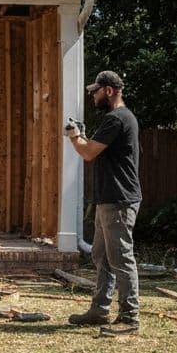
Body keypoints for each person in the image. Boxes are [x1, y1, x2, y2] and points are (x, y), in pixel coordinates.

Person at [65, 70, 141, 336]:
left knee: (121, 259)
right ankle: (99, 310)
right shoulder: (118, 118)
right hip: (109, 199)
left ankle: (130, 318)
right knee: (101, 256)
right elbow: (93, 147)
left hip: (118, 199)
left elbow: (87, 153)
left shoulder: (116, 119)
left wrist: (74, 136)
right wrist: (82, 136)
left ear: (108, 91)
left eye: (95, 91)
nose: (92, 95)